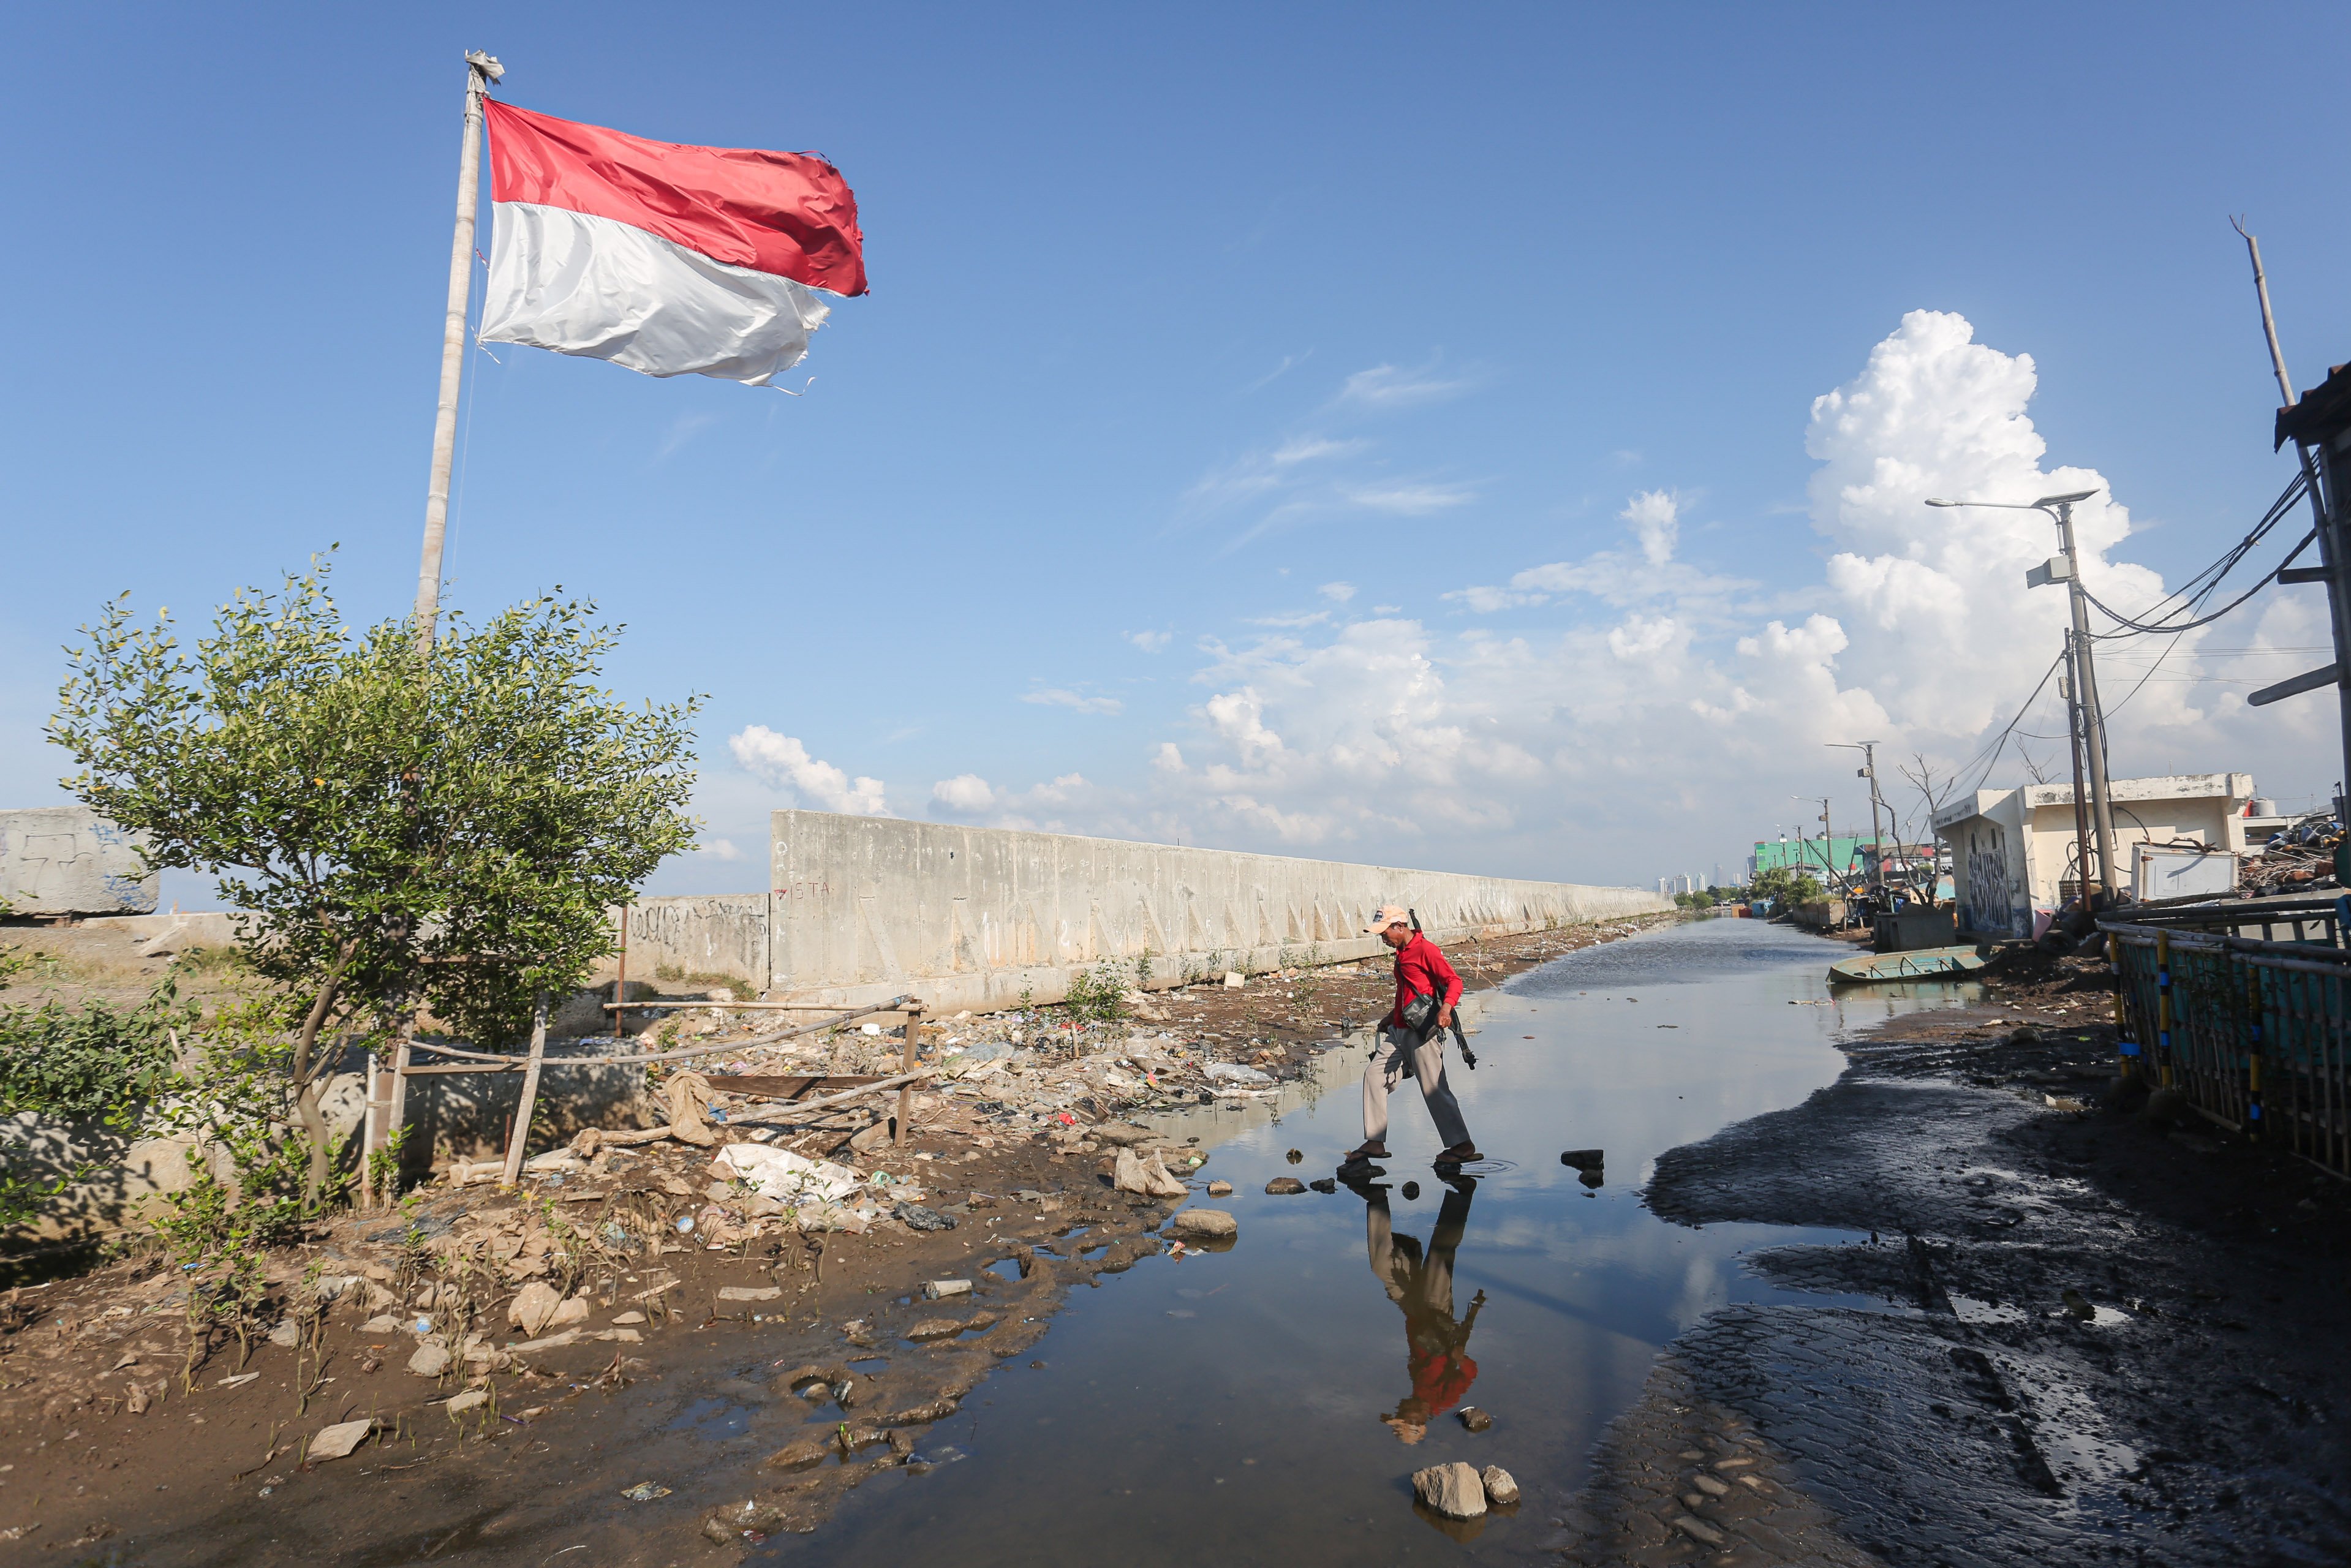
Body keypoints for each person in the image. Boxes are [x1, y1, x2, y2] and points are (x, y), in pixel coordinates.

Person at [1346, 1169, 1485, 1443]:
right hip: (1437, 1313)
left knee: (1380, 1267)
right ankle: (1461, 1194)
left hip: (1413, 1312)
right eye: (1401, 1412)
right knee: (1440, 1254)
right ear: (1416, 1420)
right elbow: (1471, 1374)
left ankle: (1377, 1202)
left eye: (1397, 1410)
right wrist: (1460, 1358)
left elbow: (1417, 1346)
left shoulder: (1416, 1386)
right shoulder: (1442, 1401)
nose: (1399, 1406)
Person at [1345, 905, 1480, 1167]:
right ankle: (1375, 1140)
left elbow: (1455, 982)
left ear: (1399, 926)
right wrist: (1390, 1017)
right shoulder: (1401, 953)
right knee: (1374, 1075)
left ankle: (1462, 1145)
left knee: (1433, 1089)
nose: (1383, 938)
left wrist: (1446, 1008)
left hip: (1423, 1031)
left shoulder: (1425, 950)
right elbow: (1407, 992)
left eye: (1385, 933)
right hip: (1399, 1029)